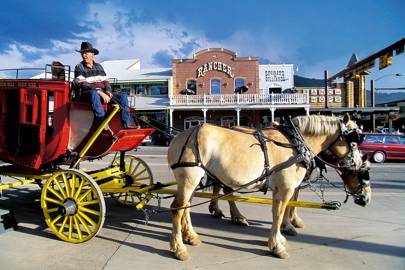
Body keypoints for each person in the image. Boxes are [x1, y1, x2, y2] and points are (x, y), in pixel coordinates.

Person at [74, 41, 138, 129]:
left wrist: (108, 91)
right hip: (87, 94)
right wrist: (100, 92)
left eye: (86, 53)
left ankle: (126, 123)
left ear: (92, 54)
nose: (84, 55)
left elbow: (106, 81)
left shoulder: (99, 66)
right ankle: (102, 122)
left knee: (123, 96)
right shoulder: (79, 67)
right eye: (82, 53)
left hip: (102, 93)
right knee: (94, 94)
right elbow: (83, 84)